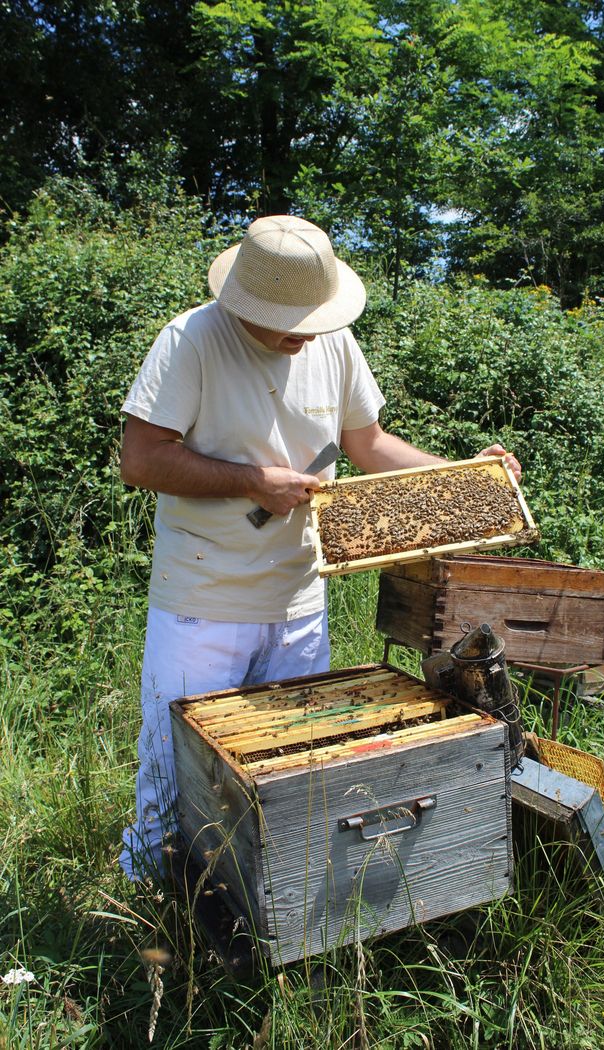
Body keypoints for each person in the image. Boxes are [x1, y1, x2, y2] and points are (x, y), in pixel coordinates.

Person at [118, 214, 521, 881]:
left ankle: (261, 917)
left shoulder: (332, 341)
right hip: (202, 603)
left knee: (293, 775)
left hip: (300, 600)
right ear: (245, 304)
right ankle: (147, 906)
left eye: (313, 319)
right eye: (290, 323)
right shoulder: (190, 340)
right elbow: (141, 459)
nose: (305, 337)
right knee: (174, 773)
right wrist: (252, 482)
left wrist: (464, 478)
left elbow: (367, 445)